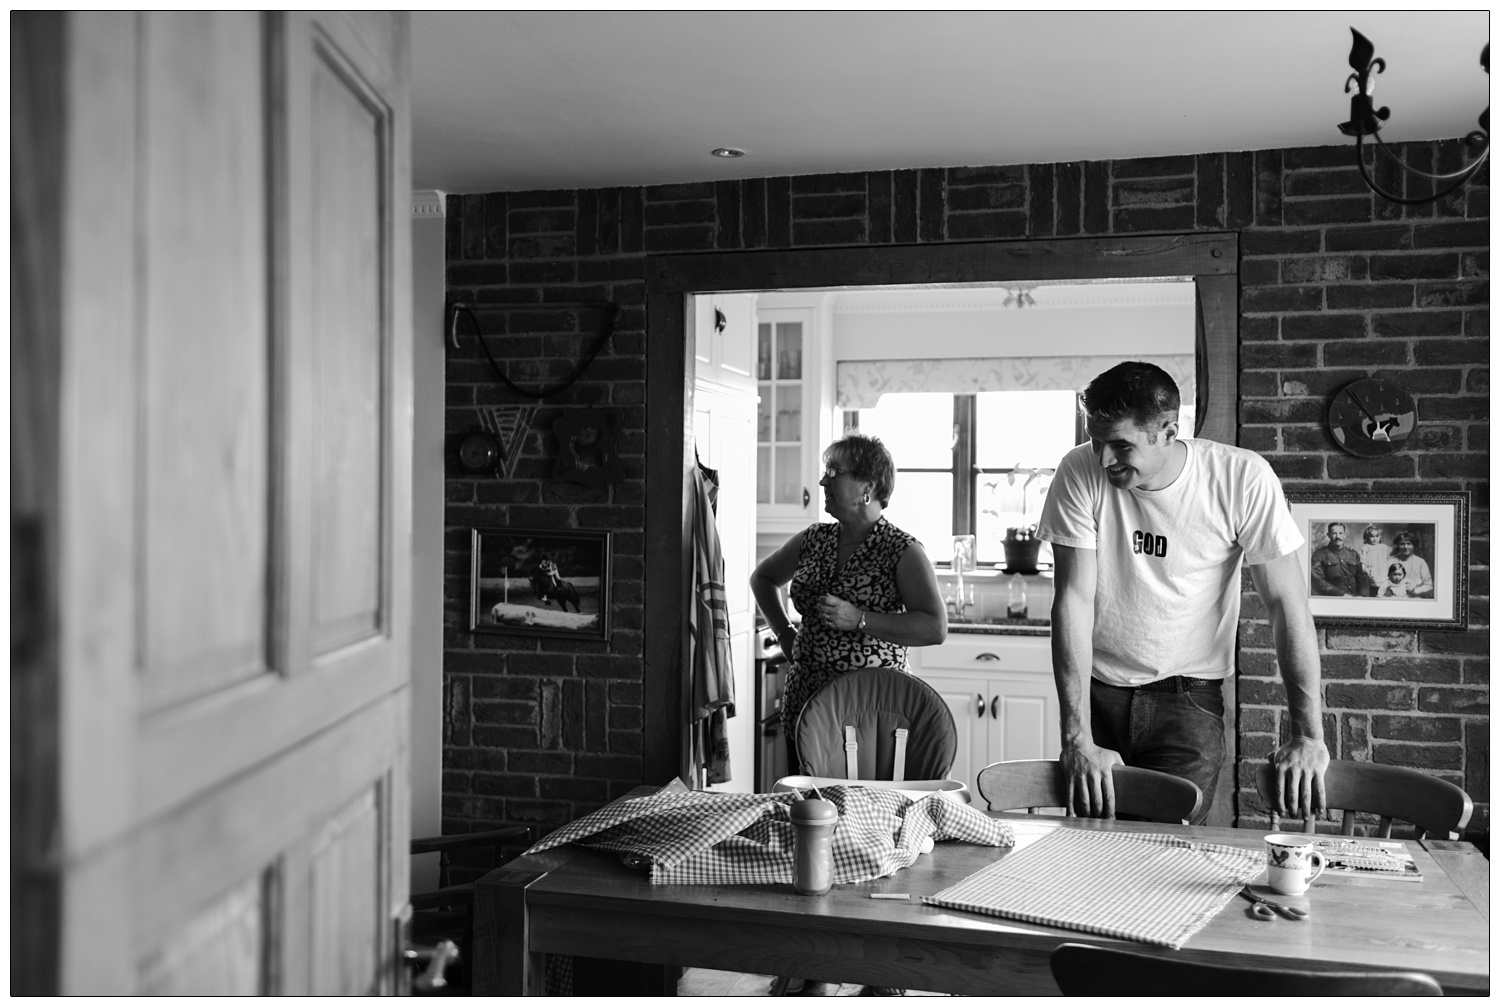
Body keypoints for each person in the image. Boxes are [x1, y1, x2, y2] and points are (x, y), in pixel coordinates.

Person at [1035, 361, 1327, 826]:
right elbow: (1073, 600)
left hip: (1187, 701)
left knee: (1166, 856)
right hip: (1099, 693)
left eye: (1121, 445)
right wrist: (1076, 736)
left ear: (1169, 431)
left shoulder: (1240, 478)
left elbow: (1286, 607)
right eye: (1096, 440)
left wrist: (1308, 735)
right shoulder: (1079, 470)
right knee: (1088, 848)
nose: (1105, 458)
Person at [750, 433, 948, 775]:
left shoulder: (902, 550)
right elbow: (762, 579)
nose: (823, 479)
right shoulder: (813, 539)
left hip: (870, 708)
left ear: (866, 485)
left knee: (865, 806)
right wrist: (784, 633)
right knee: (809, 808)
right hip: (807, 701)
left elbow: (935, 627)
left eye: (834, 471)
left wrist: (860, 619)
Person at [1310, 522, 1363, 597]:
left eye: (1341, 533)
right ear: (1328, 535)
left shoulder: (1353, 554)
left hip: (1356, 596)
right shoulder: (1319, 555)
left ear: (1345, 535)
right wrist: (1341, 595)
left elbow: (1363, 578)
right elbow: (1318, 580)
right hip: (1334, 597)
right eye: (1334, 533)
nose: (1338, 536)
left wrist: (1362, 596)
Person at [1390, 532, 1435, 598]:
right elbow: (1384, 581)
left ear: (1414, 545)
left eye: (1409, 544)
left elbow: (1428, 585)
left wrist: (1416, 590)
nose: (1405, 547)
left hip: (1414, 597)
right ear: (1398, 545)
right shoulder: (1390, 560)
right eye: (1402, 544)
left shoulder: (1420, 562)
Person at [1358, 524, 1391, 597]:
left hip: (1382, 570)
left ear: (1380, 537)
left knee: (1383, 590)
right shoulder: (1366, 547)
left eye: (1377, 536)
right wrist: (1365, 570)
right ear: (1367, 537)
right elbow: (1362, 560)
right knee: (1373, 592)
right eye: (1372, 536)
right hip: (1372, 571)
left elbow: (1391, 557)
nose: (1375, 539)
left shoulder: (1384, 547)